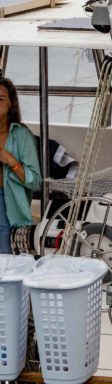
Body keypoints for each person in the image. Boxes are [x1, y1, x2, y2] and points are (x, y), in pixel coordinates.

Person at [0, 78, 41, 254]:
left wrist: (12, 162)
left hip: (7, 203)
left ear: (11, 104)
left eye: (0, 98)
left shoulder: (21, 135)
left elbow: (35, 182)